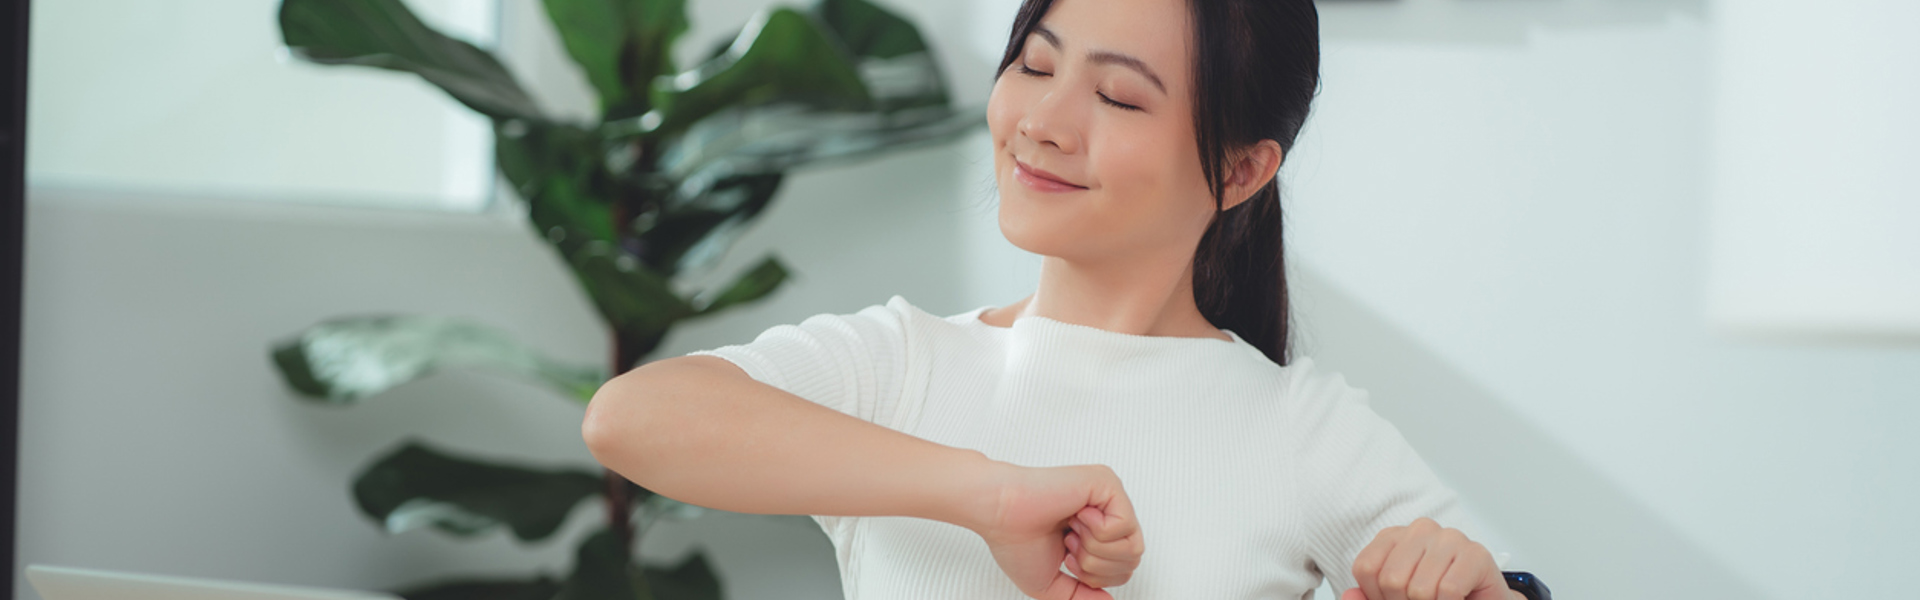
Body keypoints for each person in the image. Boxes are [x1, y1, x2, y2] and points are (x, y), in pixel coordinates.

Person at [583, 0, 1522, 598]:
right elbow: (631, 419)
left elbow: (1498, 587)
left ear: (1239, 170)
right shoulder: (902, 365)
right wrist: (991, 495)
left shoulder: (1297, 426)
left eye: (1117, 97)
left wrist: (1475, 587)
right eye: (1034, 65)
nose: (1040, 122)